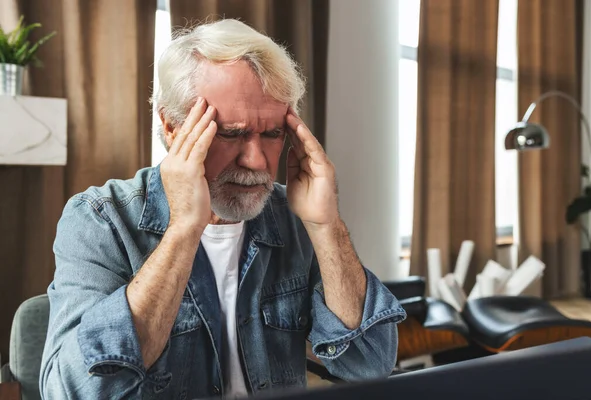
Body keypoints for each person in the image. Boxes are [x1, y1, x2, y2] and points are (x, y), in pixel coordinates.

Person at [39, 19, 406, 399]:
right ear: (171, 126)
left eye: (272, 134)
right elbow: (73, 392)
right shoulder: (101, 221)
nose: (256, 161)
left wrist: (326, 226)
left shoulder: (293, 218)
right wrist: (184, 229)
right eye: (231, 133)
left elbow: (370, 366)